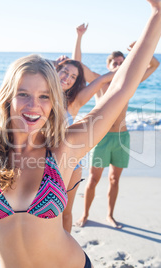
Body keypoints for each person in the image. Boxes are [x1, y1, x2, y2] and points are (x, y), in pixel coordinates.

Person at [0, 0, 161, 267]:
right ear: (7, 98)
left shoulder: (65, 147)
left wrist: (159, 13)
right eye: (23, 94)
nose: (33, 106)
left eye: (44, 96)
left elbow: (120, 88)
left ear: (53, 103)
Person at [73, 22, 161, 229]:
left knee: (114, 180)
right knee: (93, 180)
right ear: (108, 65)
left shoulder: (129, 82)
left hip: (122, 138)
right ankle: (85, 214)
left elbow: (154, 65)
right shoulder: (100, 82)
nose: (119, 65)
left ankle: (110, 216)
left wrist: (140, 45)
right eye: (115, 62)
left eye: (122, 62)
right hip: (101, 138)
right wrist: (79, 37)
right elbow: (77, 64)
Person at [51, 58, 115, 233]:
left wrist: (130, 68)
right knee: (45, 212)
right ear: (55, 70)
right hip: (42, 162)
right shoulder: (40, 95)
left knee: (65, 211)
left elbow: (102, 80)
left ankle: (64, 251)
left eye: (73, 76)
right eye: (64, 72)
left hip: (70, 163)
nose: (68, 78)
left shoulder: (73, 103)